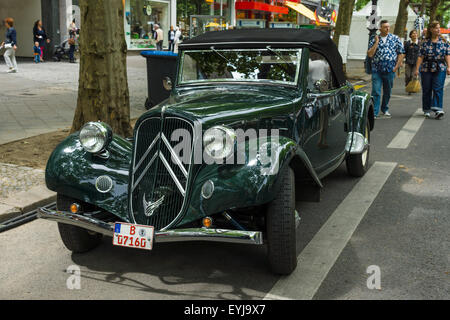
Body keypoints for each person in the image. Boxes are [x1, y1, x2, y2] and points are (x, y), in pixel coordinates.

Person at [367, 20, 405, 118]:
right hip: (377, 69)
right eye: (385, 27)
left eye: (388, 27)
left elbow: (401, 53)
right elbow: (370, 54)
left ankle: (385, 108)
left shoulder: (395, 38)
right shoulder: (374, 38)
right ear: (380, 28)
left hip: (390, 69)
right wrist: (376, 42)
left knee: (387, 91)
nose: (387, 28)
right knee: (376, 90)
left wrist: (396, 66)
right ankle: (375, 112)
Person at [414, 21, 450, 119]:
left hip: (440, 67)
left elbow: (447, 54)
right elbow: (420, 57)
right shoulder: (424, 43)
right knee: (427, 89)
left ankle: (438, 109)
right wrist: (417, 69)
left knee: (438, 87)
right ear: (431, 29)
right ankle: (426, 109)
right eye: (436, 28)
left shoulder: (444, 41)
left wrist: (449, 66)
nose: (438, 29)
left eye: (439, 28)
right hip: (426, 67)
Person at [404, 30, 420, 94]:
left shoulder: (419, 43)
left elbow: (421, 54)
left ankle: (412, 88)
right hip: (408, 62)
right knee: (408, 76)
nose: (415, 34)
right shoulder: (408, 43)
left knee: (414, 76)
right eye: (413, 33)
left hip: (416, 62)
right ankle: (408, 86)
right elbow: (404, 52)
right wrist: (400, 62)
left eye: (416, 33)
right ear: (410, 35)